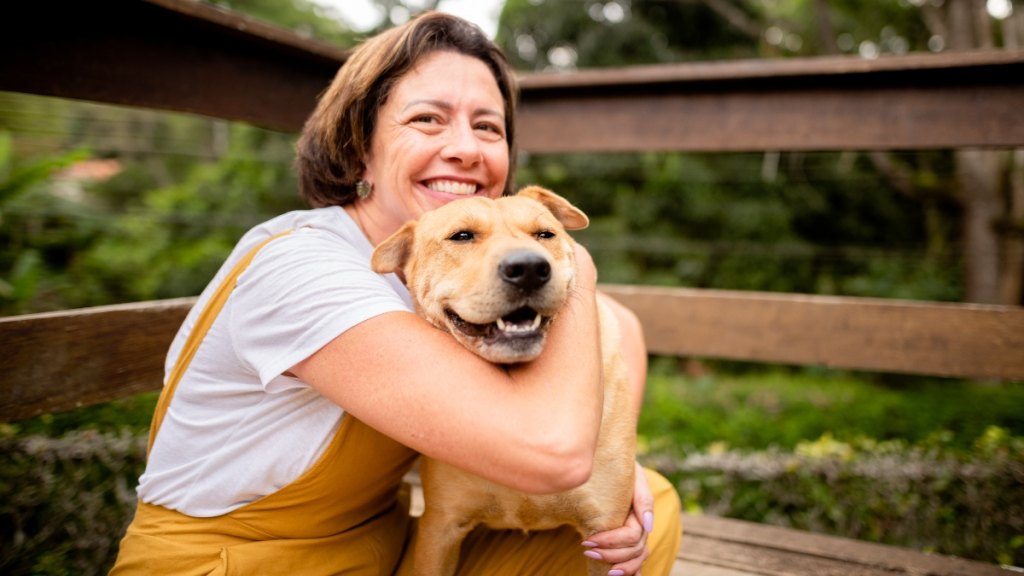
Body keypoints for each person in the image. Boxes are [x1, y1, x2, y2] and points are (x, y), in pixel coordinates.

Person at [111, 10, 681, 576]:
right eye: (428, 119)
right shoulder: (303, 269)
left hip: (384, 551)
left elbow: (619, 326)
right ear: (360, 145)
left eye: (488, 127)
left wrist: (609, 459)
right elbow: (553, 454)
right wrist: (575, 258)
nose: (467, 149)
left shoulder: (455, 275)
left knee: (652, 510)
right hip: (237, 564)